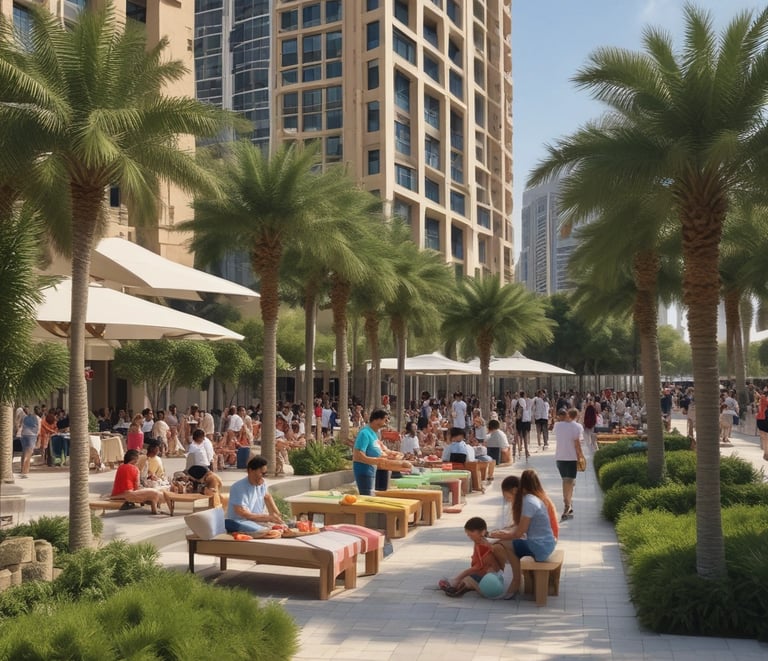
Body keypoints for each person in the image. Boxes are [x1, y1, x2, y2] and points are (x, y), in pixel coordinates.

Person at [489, 469, 557, 600]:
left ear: (515, 490)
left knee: (503, 544)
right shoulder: (533, 499)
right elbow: (521, 529)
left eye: (508, 496)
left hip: (540, 547)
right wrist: (504, 533)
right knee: (505, 542)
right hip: (545, 543)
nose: (508, 500)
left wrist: (501, 536)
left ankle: (516, 580)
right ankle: (516, 579)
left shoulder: (528, 502)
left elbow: (519, 533)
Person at [437, 517, 503, 598]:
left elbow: (477, 568)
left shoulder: (484, 546)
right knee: (467, 578)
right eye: (468, 535)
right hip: (489, 577)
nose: (469, 536)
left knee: (468, 579)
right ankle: (457, 585)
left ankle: (456, 588)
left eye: (471, 534)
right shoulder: (480, 542)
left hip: (491, 582)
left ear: (482, 532)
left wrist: (457, 578)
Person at [353, 408, 410, 495]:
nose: (386, 422)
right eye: (385, 419)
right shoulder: (364, 433)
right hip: (364, 471)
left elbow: (381, 448)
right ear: (377, 420)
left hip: (373, 470)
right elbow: (358, 455)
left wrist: (391, 453)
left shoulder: (374, 433)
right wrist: (377, 460)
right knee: (367, 497)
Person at [224, 456, 284, 535]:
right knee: (265, 532)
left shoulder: (262, 484)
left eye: (265, 474)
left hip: (256, 521)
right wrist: (268, 518)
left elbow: (267, 497)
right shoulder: (238, 487)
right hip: (238, 522)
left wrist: (278, 517)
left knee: (283, 527)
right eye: (262, 473)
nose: (263, 476)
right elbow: (243, 513)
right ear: (250, 471)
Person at [110, 449, 167, 514]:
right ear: (135, 460)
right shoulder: (135, 469)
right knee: (154, 493)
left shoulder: (120, 467)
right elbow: (136, 487)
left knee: (152, 492)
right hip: (128, 494)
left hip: (117, 493)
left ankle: (156, 507)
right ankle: (155, 510)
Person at [553, 408, 584, 520]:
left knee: (566, 480)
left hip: (560, 457)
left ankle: (568, 503)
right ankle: (567, 504)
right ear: (577, 416)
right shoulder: (577, 427)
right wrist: (581, 456)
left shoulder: (557, 425)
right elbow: (577, 444)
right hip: (571, 457)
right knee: (568, 481)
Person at [19, 406, 40, 478]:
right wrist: (37, 439)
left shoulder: (25, 417)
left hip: (24, 435)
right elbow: (38, 430)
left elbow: (21, 426)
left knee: (24, 452)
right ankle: (25, 472)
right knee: (28, 454)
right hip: (32, 436)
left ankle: (22, 469)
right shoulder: (38, 418)